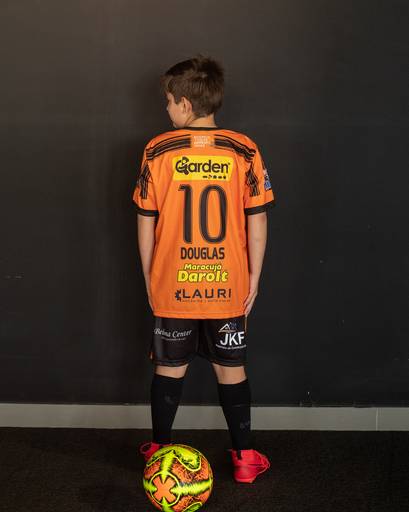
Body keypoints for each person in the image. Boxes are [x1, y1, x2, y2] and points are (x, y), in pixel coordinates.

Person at [133, 54, 275, 483]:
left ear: (184, 104)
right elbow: (257, 219)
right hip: (227, 284)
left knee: (168, 367)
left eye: (168, 102)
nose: (166, 109)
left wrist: (150, 277)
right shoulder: (244, 149)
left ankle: (159, 451)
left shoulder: (158, 150)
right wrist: (254, 278)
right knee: (232, 369)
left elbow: (146, 220)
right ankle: (245, 459)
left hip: (173, 283)